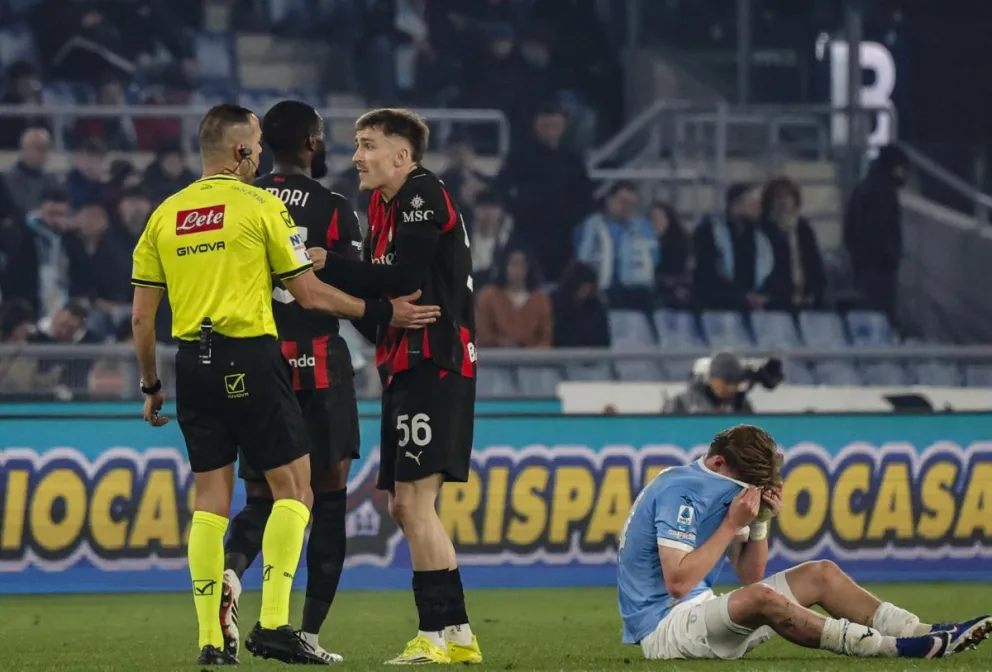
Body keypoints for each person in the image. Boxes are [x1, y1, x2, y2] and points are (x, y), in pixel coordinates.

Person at [129, 103, 440, 666]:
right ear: (243, 151)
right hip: (252, 357)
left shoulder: (165, 214)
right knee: (297, 491)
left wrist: (152, 383)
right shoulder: (260, 206)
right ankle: (275, 622)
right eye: (253, 147)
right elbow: (312, 295)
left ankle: (210, 639)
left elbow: (141, 319)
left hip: (189, 367)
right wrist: (381, 311)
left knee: (210, 502)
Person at [314, 108, 482, 665]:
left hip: (435, 360)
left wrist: (326, 266)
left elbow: (401, 281)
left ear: (402, 156)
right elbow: (385, 308)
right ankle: (454, 633)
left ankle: (439, 634)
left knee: (412, 503)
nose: (356, 156)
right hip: (406, 364)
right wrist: (352, 303)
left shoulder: (421, 194)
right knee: (404, 505)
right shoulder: (382, 205)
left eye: (367, 145)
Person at [617, 424, 992, 662]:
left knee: (821, 573)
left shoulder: (718, 486)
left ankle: (923, 631)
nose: (745, 494)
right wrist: (732, 526)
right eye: (742, 485)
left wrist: (760, 524)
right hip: (663, 631)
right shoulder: (680, 492)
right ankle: (894, 648)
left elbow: (750, 575)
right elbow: (678, 584)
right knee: (762, 599)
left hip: (705, 614)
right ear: (717, 463)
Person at [220, 100, 364, 664]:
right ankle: (305, 632)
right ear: (309, 141)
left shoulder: (246, 203)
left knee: (263, 498)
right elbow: (354, 286)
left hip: (259, 363)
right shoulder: (332, 207)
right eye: (323, 136)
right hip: (320, 362)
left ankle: (230, 576)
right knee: (326, 502)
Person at [693, 183, 786, 312]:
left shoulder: (766, 233)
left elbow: (777, 270)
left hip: (760, 309)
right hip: (720, 308)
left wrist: (765, 296)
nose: (758, 209)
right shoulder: (710, 232)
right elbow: (706, 274)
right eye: (751, 204)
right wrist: (740, 297)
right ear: (736, 205)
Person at [843, 144, 908, 320]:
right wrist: (891, 255)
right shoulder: (885, 193)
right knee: (880, 315)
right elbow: (883, 231)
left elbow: (850, 229)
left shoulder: (863, 189)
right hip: (880, 268)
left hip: (864, 265)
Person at [761, 177, 826, 310]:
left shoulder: (803, 228)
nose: (784, 201)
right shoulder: (763, 229)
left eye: (788, 196)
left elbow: (813, 261)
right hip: (775, 299)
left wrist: (814, 290)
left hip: (804, 298)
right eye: (778, 197)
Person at [476, 247, 552, 348]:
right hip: (494, 359)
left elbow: (546, 339)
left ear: (529, 268)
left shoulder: (541, 299)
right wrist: (499, 342)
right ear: (504, 266)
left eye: (522, 265)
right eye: (513, 264)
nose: (517, 270)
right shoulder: (488, 297)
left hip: (533, 361)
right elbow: (481, 335)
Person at [662, 352, 753, 415]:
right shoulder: (682, 403)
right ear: (711, 379)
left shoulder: (742, 405)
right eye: (727, 382)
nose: (731, 388)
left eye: (736, 383)